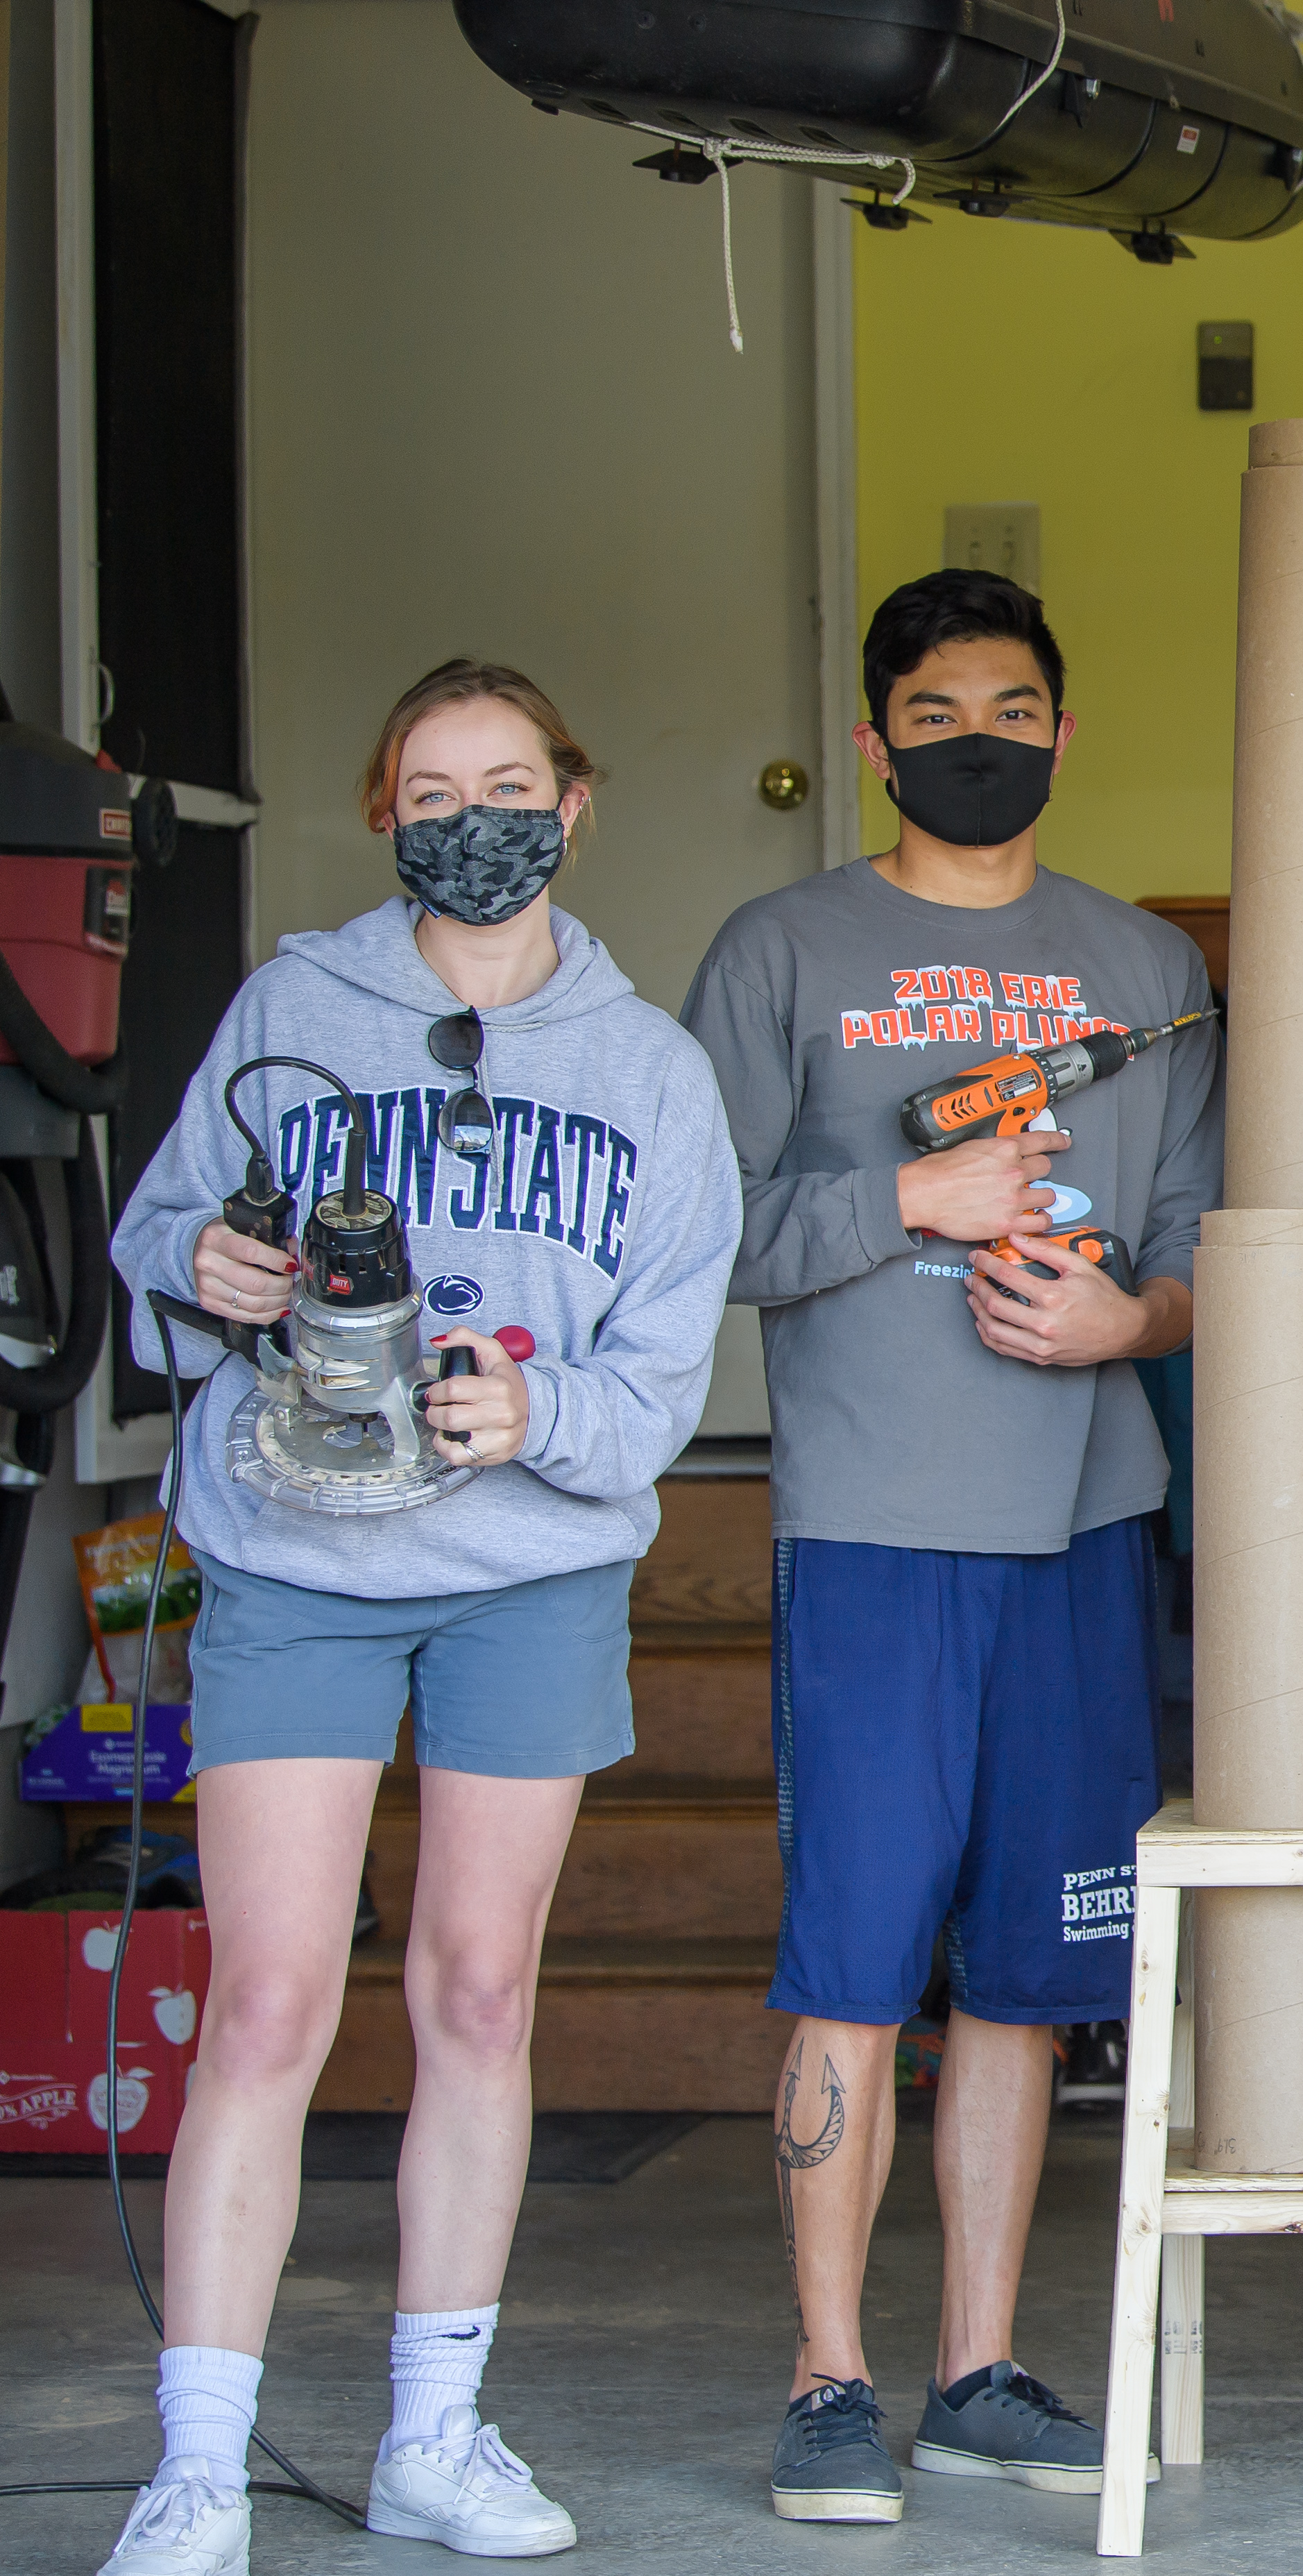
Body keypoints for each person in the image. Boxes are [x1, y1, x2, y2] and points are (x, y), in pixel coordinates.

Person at [92, 663, 742, 2576]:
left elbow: (667, 1355)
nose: (476, 814)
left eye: (512, 781)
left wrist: (541, 1414)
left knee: (476, 1992)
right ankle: (198, 2465)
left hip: (526, 1571)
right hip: (297, 1557)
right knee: (272, 2000)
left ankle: (433, 2439)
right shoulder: (296, 1007)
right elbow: (159, 1238)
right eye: (434, 786)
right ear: (384, 812)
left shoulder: (651, 1074)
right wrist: (204, 1267)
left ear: (576, 802)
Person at [683, 568, 1219, 2526]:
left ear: (1064, 736)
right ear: (874, 737)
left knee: (1024, 1976)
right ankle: (829, 2379)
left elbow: (1208, 1259)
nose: (974, 740)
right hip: (878, 1527)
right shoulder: (782, 951)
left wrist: (1128, 1330)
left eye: (1010, 710)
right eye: (935, 713)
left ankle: (974, 2371)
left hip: (1080, 1522)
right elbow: (702, 1236)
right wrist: (909, 1187)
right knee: (855, 1959)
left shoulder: (1150, 970)